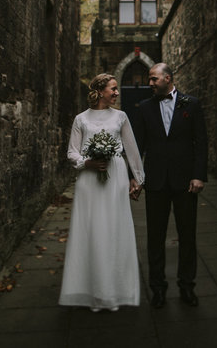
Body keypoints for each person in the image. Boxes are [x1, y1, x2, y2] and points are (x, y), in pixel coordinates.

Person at [58, 73, 145, 312]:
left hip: (115, 176)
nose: (117, 93)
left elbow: (131, 149)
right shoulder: (81, 119)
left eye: (116, 89)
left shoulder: (121, 117)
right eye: (113, 89)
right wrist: (87, 163)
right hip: (89, 180)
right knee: (92, 230)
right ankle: (93, 290)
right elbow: (72, 152)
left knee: (114, 228)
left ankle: (116, 289)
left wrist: (137, 178)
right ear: (100, 91)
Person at [132, 62, 208, 308]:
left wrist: (199, 175)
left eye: (154, 79)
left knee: (187, 235)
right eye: (150, 79)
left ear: (168, 78)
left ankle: (187, 286)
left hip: (186, 181)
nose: (150, 83)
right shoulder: (144, 108)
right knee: (155, 237)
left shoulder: (192, 104)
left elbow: (201, 143)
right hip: (156, 182)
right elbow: (138, 147)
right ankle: (158, 288)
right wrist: (136, 177)